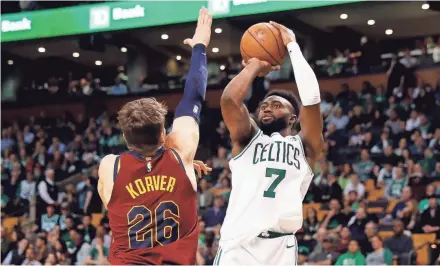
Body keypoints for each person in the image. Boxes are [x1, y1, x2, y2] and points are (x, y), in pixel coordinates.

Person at [97, 7, 212, 265]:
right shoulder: (180, 153)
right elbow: (193, 97)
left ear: (126, 139)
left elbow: (114, 205)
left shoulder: (109, 167)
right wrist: (199, 47)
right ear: (164, 134)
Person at [217, 21, 323, 265]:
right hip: (239, 245)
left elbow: (312, 99)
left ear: (293, 118)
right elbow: (229, 101)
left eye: (277, 106)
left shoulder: (305, 146)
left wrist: (292, 46)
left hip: (281, 246)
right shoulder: (247, 139)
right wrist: (254, 65)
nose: (267, 108)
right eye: (264, 105)